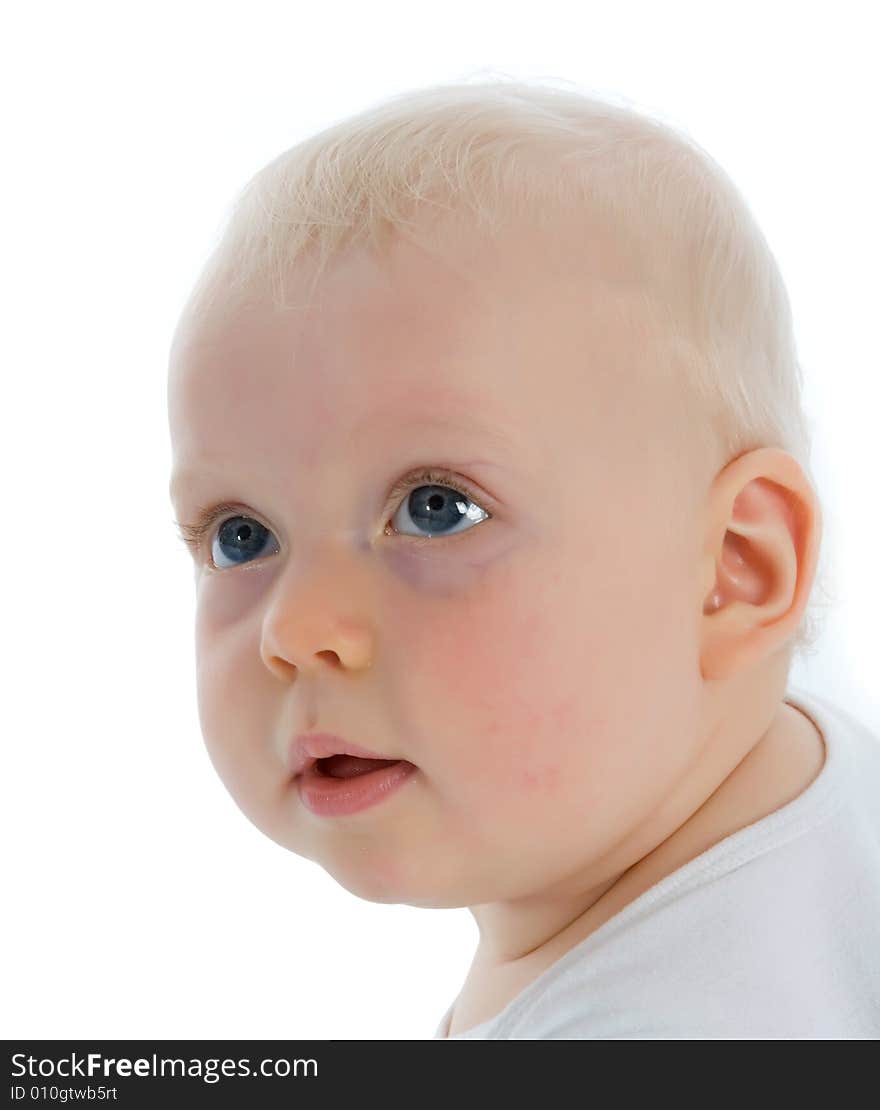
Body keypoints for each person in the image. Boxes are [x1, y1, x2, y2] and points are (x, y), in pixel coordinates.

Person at [165, 78, 879, 1038]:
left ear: (734, 569)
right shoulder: (805, 798)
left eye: (436, 509)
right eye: (241, 535)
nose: (296, 631)